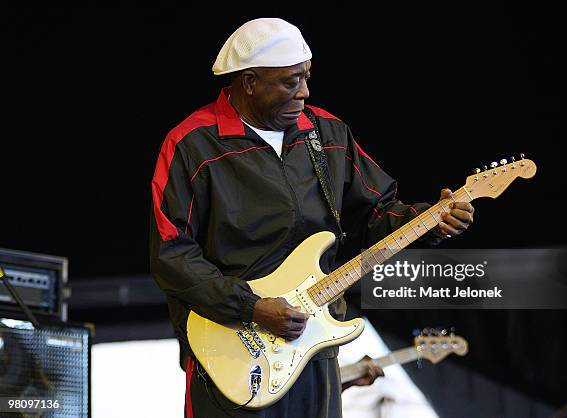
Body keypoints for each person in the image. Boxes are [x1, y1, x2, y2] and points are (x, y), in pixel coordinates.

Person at [149, 17, 474, 418]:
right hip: (232, 351)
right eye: (290, 81)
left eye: (306, 77)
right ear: (249, 82)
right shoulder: (192, 145)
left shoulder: (328, 135)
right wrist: (251, 307)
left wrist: (431, 222)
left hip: (314, 346)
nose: (305, 92)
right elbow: (172, 255)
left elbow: (376, 214)